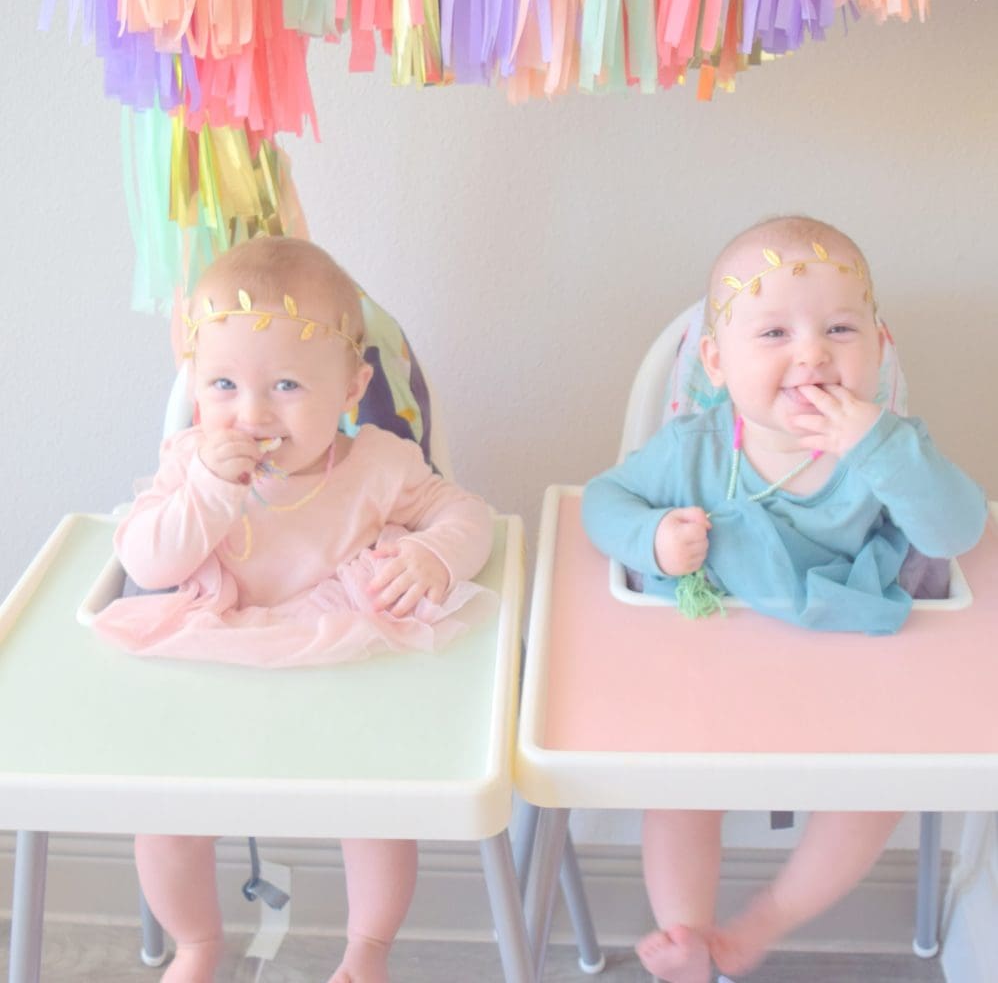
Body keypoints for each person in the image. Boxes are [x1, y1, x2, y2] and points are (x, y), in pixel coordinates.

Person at [581, 216, 987, 983]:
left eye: (840, 328)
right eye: (773, 334)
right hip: (710, 681)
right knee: (677, 791)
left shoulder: (890, 447)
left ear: (879, 345)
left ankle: (761, 925)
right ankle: (687, 936)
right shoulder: (694, 447)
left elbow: (959, 529)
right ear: (715, 361)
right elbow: (602, 501)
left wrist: (879, 447)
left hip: (854, 677)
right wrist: (653, 538)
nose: (812, 354)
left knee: (878, 793)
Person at [95, 236, 496, 983]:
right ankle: (197, 944)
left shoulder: (379, 463)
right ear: (193, 384)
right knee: (166, 821)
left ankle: (367, 948)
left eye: (285, 386)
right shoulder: (189, 462)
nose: (250, 414)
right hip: (214, 674)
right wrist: (211, 494)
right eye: (221, 385)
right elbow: (145, 560)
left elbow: (469, 516)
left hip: (338, 676)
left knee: (378, 814)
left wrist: (434, 556)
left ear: (351, 386)